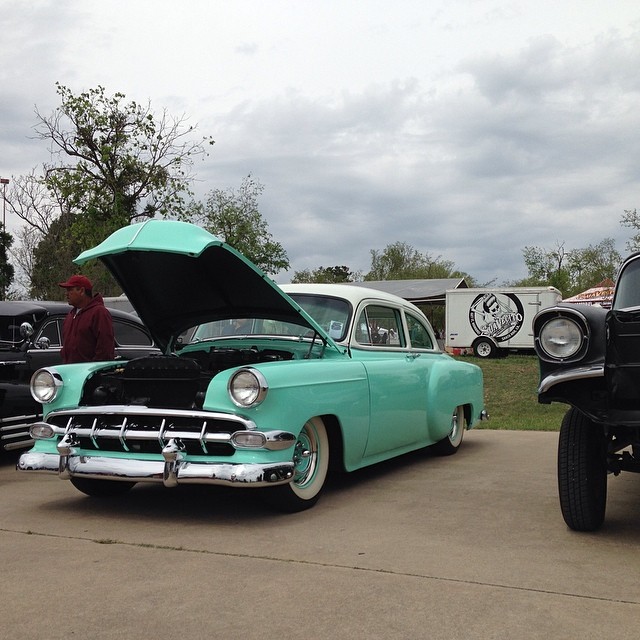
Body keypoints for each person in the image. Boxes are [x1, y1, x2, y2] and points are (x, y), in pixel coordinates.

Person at [58, 275, 115, 363]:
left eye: (70, 290)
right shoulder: (70, 315)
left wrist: (93, 371)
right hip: (70, 372)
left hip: (90, 373)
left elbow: (105, 349)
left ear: (81, 291)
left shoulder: (99, 313)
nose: (66, 294)